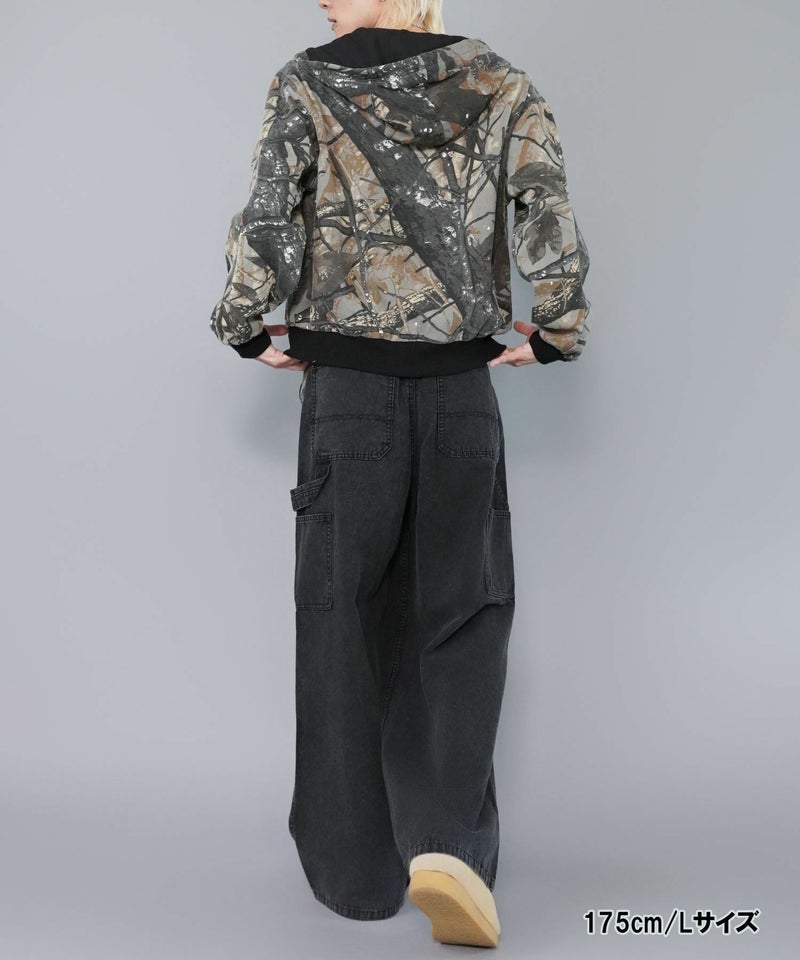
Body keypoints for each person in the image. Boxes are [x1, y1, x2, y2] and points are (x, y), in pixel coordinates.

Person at [209, 0, 591, 947]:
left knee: (342, 616)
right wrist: (556, 327)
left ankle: (355, 873)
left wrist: (245, 322)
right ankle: (447, 848)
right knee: (463, 615)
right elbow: (544, 203)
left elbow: (270, 209)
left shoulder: (308, 79)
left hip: (349, 396)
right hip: (462, 393)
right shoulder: (500, 82)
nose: (321, 2)